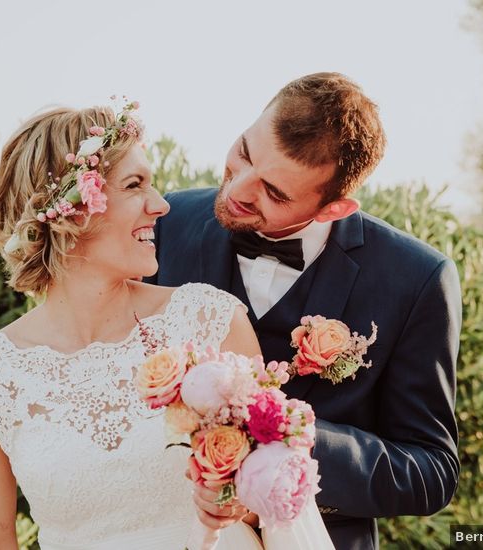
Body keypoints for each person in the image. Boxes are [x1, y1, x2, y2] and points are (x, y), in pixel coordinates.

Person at [0, 102, 332, 549]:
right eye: (135, 185)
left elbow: (274, 502)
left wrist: (229, 503)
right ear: (70, 209)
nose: (161, 205)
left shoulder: (210, 320)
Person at [149, 72, 462, 550]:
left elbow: (431, 471)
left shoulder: (417, 279)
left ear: (334, 209)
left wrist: (294, 439)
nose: (238, 190)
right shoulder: (167, 224)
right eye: (244, 153)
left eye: (275, 194)